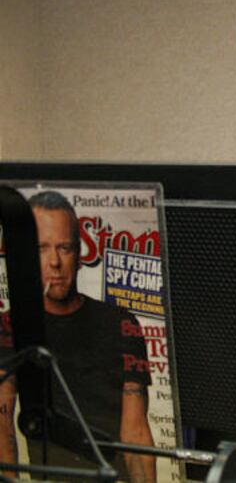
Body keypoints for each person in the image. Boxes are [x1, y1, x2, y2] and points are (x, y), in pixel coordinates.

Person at [0, 191, 155, 482]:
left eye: (65, 248)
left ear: (79, 254)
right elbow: (2, 425)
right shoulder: (10, 325)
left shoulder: (120, 323)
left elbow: (135, 432)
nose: (55, 263)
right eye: (42, 248)